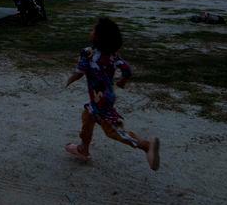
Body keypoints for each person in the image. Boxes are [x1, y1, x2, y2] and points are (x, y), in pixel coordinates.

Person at [64, 17, 160, 171]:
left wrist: (69, 80)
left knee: (113, 131)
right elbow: (127, 70)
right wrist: (122, 81)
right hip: (103, 98)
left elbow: (79, 72)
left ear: (97, 37)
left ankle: (146, 146)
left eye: (93, 29)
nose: (91, 31)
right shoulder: (114, 55)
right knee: (87, 118)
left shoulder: (88, 53)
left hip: (100, 101)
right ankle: (83, 148)